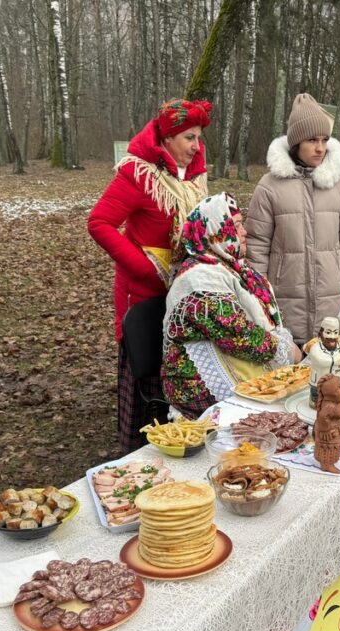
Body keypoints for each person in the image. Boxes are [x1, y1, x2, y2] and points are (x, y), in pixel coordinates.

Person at [87, 98, 212, 454]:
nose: (195, 146)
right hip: (143, 294)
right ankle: (141, 445)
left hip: (182, 290)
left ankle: (180, 436)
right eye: (188, 137)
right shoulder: (138, 173)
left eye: (199, 138)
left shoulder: (193, 177)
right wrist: (143, 268)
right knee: (149, 369)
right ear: (167, 138)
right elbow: (99, 223)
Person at [161, 193, 301, 419]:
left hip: (232, 360)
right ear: (215, 231)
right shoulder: (199, 278)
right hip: (194, 383)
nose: (244, 232)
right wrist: (284, 348)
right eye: (236, 226)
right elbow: (237, 334)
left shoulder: (231, 267)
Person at [245, 93, 340, 342]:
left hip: (332, 301)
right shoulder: (269, 186)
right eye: (312, 140)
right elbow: (256, 246)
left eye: (324, 139)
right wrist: (258, 298)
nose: (320, 147)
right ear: (296, 143)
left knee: (332, 377)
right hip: (285, 303)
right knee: (290, 377)